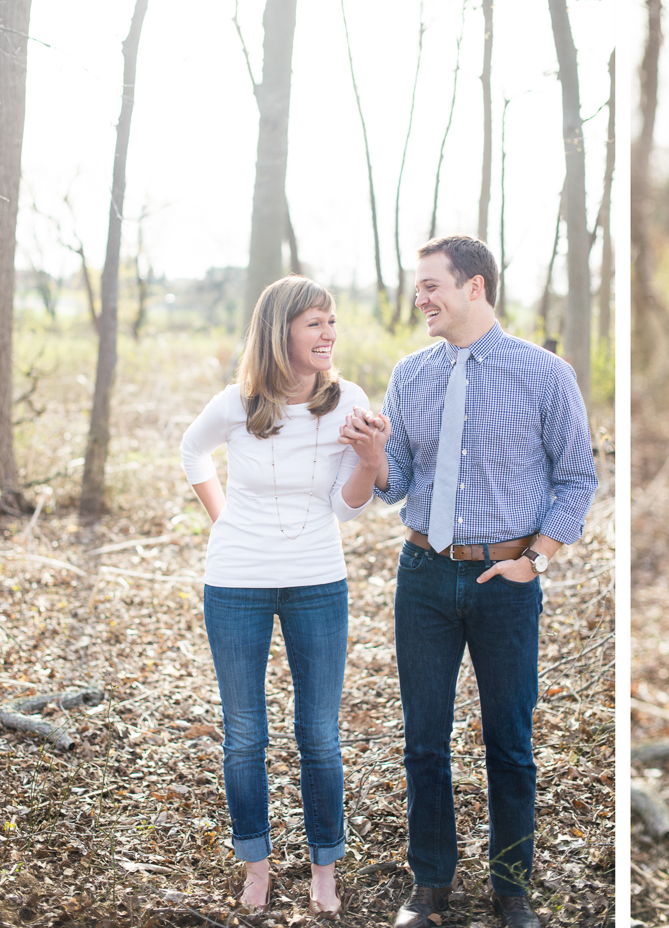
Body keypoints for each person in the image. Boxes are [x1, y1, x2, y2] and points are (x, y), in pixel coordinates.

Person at [348, 235, 598, 928]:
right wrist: (373, 457)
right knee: (423, 739)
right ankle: (429, 886)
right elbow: (394, 485)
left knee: (510, 742)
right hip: (424, 575)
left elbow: (579, 478)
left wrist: (536, 557)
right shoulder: (411, 375)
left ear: (475, 288)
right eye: (418, 286)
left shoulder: (544, 375)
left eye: (432, 285)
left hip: (506, 579)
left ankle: (512, 890)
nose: (420, 298)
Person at [181, 276, 386, 918]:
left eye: (332, 322)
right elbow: (192, 452)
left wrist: (372, 463)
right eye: (315, 323)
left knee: (319, 736)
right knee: (245, 735)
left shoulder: (347, 401)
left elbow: (344, 510)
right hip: (235, 581)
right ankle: (257, 865)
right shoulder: (237, 404)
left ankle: (325, 867)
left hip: (317, 579)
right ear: (281, 332)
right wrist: (224, 521)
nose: (329, 334)